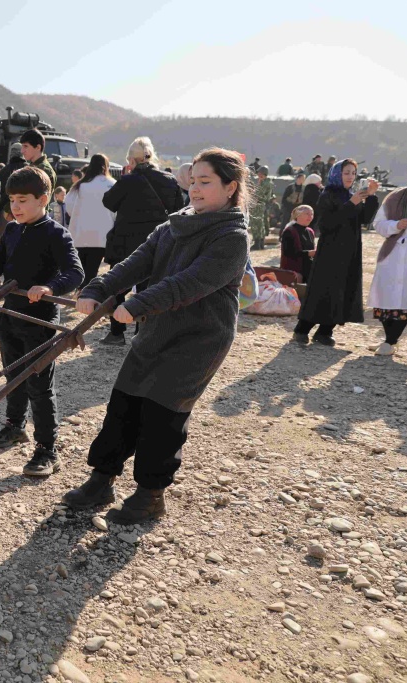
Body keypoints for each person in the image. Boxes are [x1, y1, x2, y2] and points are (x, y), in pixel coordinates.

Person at [67, 147, 251, 524]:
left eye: (205, 182)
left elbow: (190, 283)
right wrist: (98, 288)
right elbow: (136, 262)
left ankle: (150, 495)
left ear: (231, 187)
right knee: (124, 402)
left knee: (163, 414)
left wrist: (137, 304)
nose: (195, 189)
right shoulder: (173, 225)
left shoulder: (232, 236)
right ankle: (101, 479)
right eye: (193, 181)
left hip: (198, 339)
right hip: (157, 328)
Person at [0, 166, 83, 476]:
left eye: (23, 200)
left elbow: (75, 273)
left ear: (43, 199)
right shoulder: (12, 229)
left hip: (40, 323)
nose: (15, 207)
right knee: (13, 376)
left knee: (39, 384)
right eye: (12, 200)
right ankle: (15, 425)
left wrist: (50, 287)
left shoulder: (56, 233)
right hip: (10, 316)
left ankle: (47, 449)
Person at [100, 136, 185, 345]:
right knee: (149, 290)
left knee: (118, 287)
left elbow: (108, 202)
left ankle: (117, 333)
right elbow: (178, 210)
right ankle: (142, 333)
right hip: (157, 243)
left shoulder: (128, 180)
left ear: (131, 160)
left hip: (125, 242)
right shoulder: (169, 180)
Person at [293, 159, 379, 346]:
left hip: (350, 250)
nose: (350, 177)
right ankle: (302, 329)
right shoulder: (328, 194)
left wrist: (371, 196)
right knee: (322, 289)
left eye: (353, 173)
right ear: (337, 174)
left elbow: (365, 219)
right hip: (330, 251)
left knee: (342, 289)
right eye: (346, 172)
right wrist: (351, 203)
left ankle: (325, 331)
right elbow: (326, 224)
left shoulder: (352, 195)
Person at [366, 161, 407, 356]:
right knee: (384, 296)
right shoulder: (395, 197)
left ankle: (390, 342)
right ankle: (388, 340)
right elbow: (378, 224)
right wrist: (396, 225)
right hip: (393, 252)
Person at [65, 154, 116, 289]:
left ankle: (80, 289)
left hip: (80, 233)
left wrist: (77, 215)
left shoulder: (80, 185)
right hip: (102, 234)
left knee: (81, 265)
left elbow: (68, 204)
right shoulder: (111, 184)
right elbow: (116, 211)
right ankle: (87, 291)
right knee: (93, 268)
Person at [0, 142, 27, 243]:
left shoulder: (2, 172)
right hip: (25, 215)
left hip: (4, 217)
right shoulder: (29, 170)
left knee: (3, 247)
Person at [280, 205, 316, 282]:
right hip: (294, 271)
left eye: (312, 214)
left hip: (309, 269)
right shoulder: (289, 231)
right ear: (298, 215)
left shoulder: (310, 231)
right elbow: (289, 253)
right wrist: (309, 253)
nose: (310, 216)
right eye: (307, 214)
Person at [19, 128, 57, 198]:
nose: (22, 151)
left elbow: (38, 198)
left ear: (38, 147)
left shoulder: (44, 170)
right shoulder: (32, 167)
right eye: (22, 146)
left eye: (26, 146)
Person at [249, 166, 272, 250]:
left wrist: (252, 193)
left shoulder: (264, 183)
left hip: (258, 205)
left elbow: (258, 194)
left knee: (256, 224)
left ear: (263, 174)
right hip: (260, 204)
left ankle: (257, 243)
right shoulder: (265, 182)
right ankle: (260, 243)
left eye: (259, 173)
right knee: (260, 224)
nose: (258, 174)